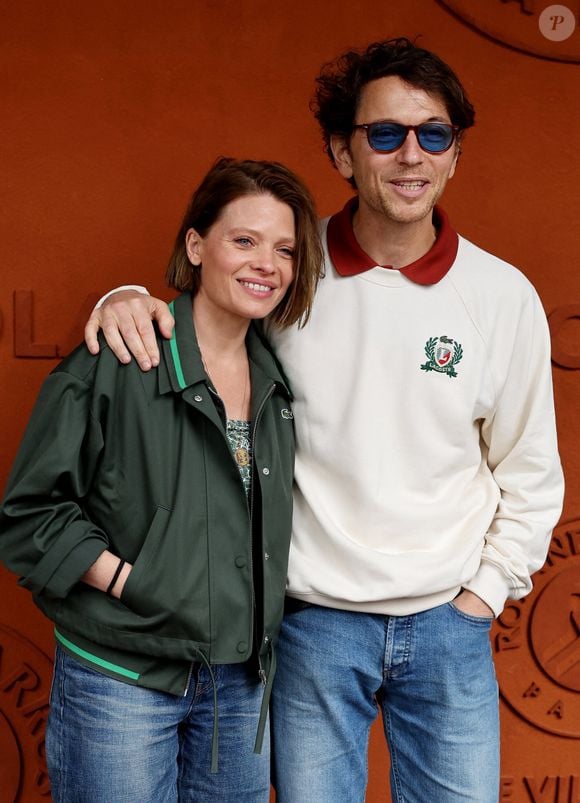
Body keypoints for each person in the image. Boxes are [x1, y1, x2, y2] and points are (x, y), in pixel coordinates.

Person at [84, 39, 564, 803]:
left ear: (453, 156)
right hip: (311, 624)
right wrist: (117, 297)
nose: (411, 155)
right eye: (385, 134)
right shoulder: (288, 279)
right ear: (343, 152)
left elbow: (530, 469)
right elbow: (196, 319)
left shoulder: (502, 296)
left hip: (448, 621)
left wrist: (483, 595)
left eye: (433, 134)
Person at [0, 156, 323, 803]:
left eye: (284, 249)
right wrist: (131, 581)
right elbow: (30, 512)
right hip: (122, 677)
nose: (267, 263)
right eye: (244, 240)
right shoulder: (120, 357)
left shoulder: (281, 380)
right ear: (196, 244)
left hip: (238, 685)